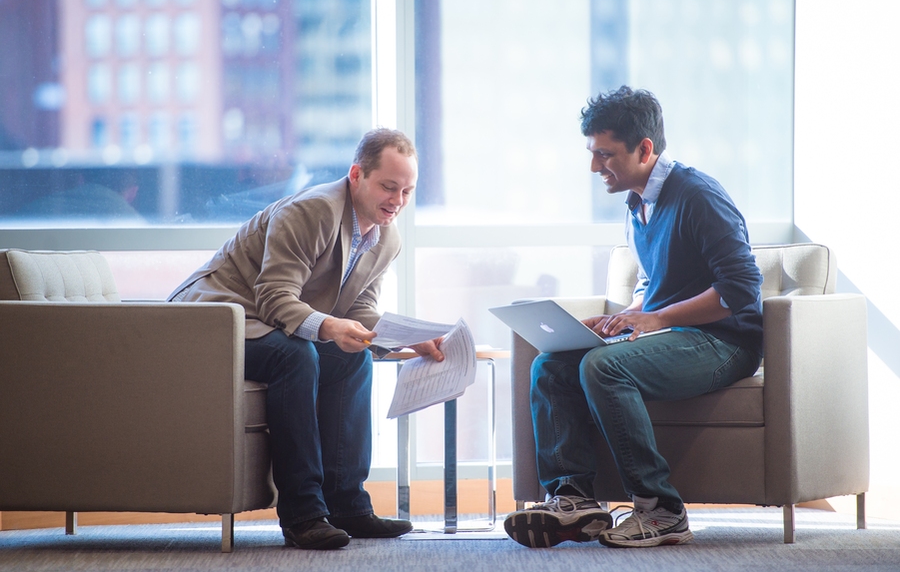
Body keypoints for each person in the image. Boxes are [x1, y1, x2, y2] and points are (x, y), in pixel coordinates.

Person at [503, 86, 763, 549]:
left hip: (724, 343)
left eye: (605, 154)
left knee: (604, 365)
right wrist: (623, 318)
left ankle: (661, 510)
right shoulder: (637, 202)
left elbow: (740, 292)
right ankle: (574, 498)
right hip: (673, 337)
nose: (593, 166)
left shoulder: (699, 196)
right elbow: (653, 283)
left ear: (645, 149)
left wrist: (656, 320)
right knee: (552, 365)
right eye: (592, 153)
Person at [168, 128, 443, 550]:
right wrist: (330, 327)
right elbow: (275, 296)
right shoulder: (313, 211)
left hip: (269, 324)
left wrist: (406, 338)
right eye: (389, 187)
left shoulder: (387, 238)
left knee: (353, 358)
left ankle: (348, 505)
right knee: (294, 356)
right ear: (356, 174)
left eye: (407, 191)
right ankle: (303, 515)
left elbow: (359, 310)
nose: (398, 201)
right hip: (214, 321)